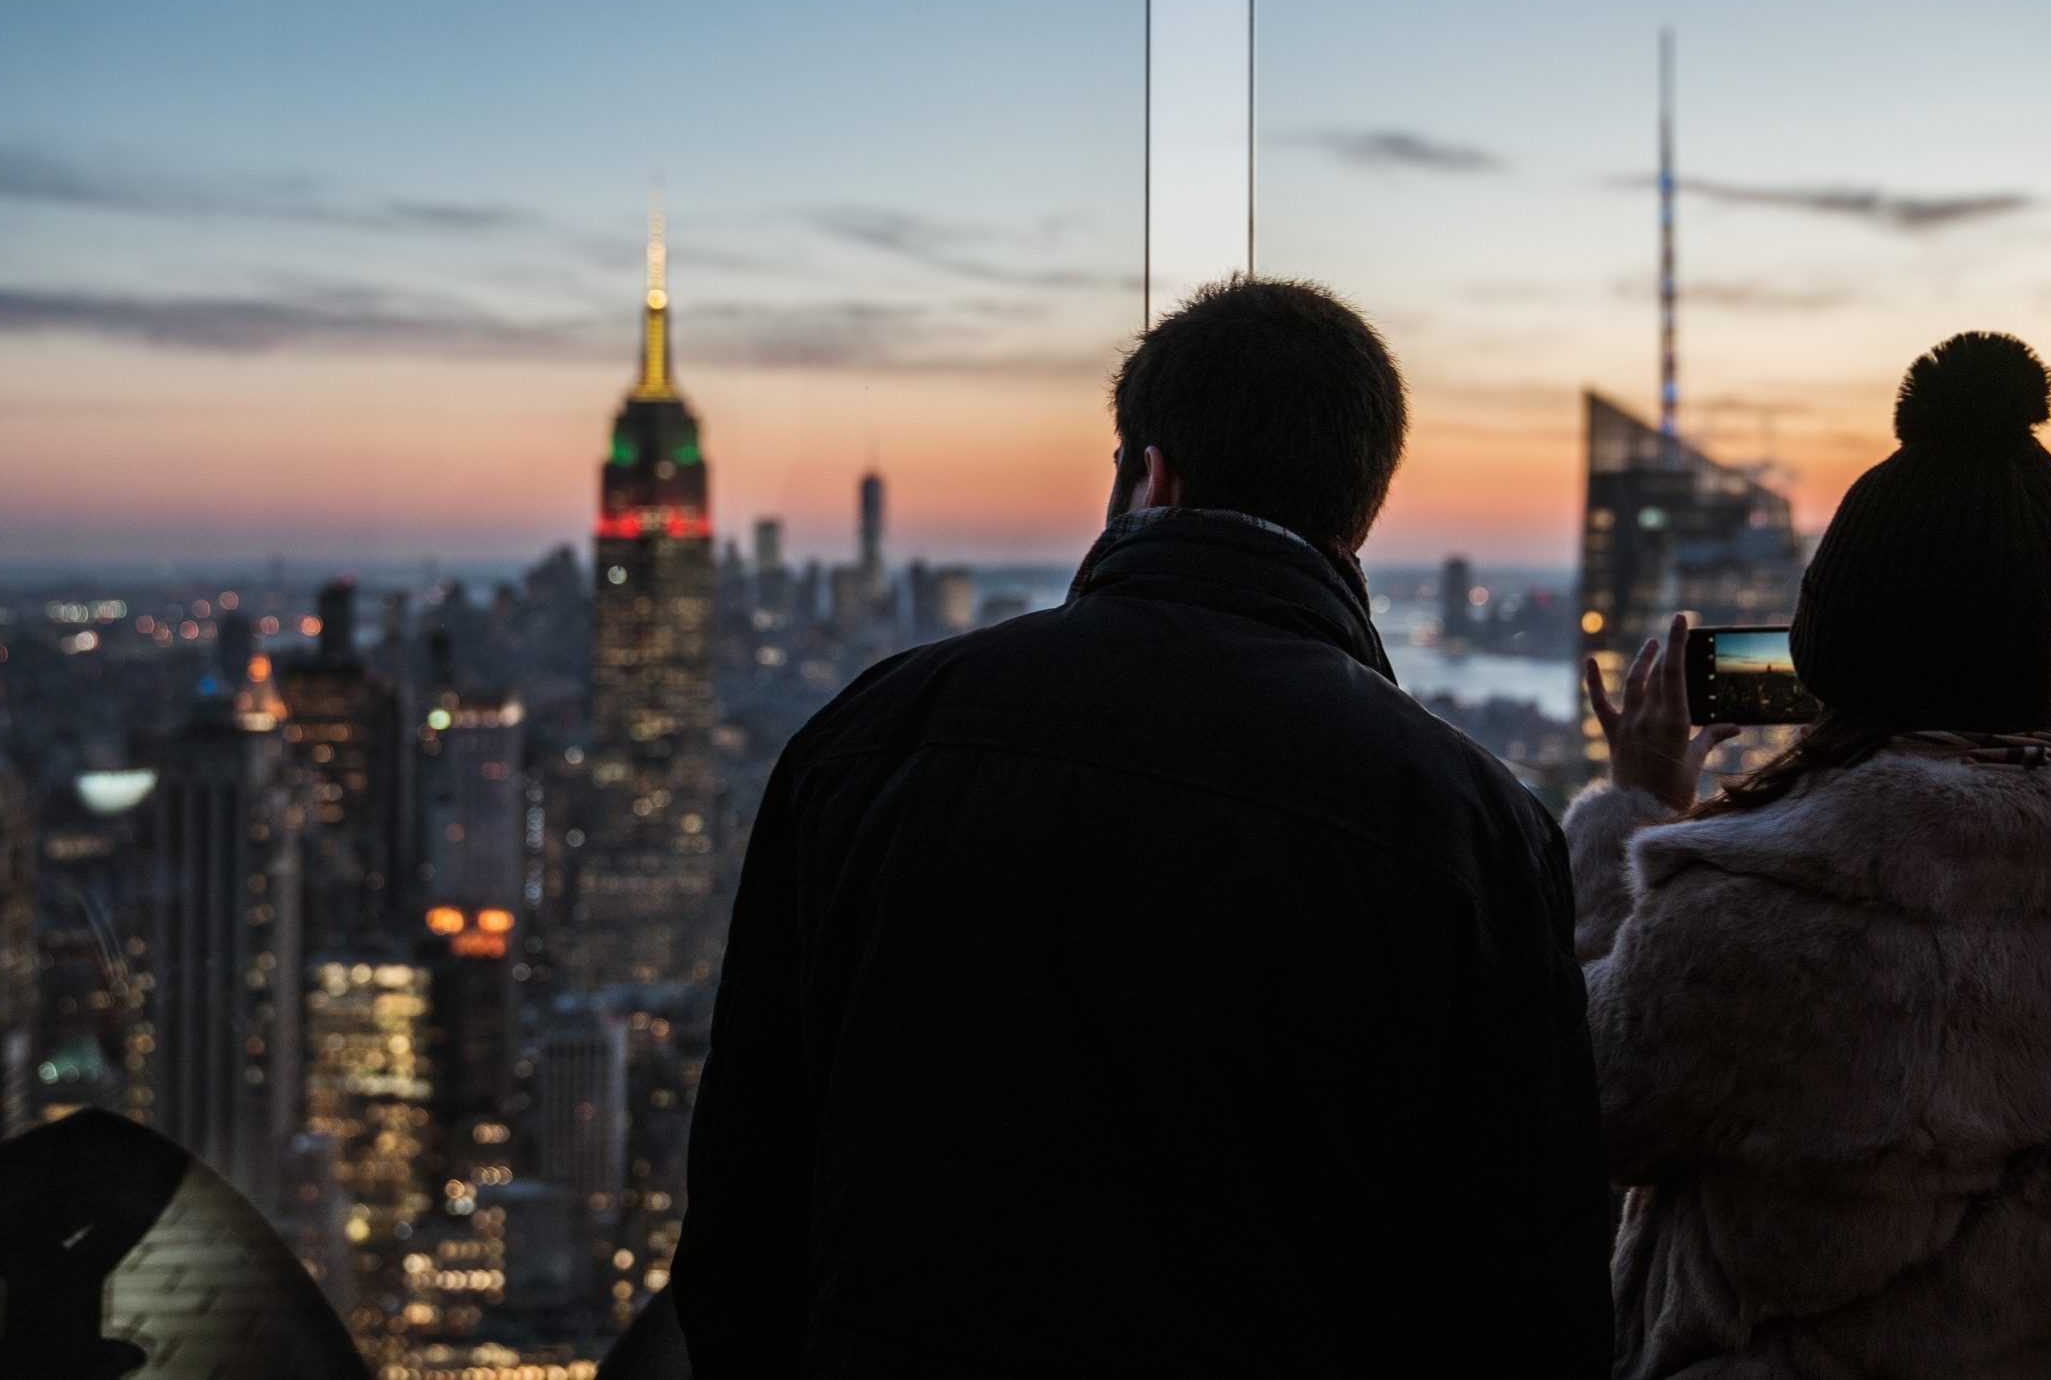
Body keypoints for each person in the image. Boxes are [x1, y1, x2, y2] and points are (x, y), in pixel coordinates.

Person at [676, 278, 1615, 1378]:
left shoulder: (869, 740)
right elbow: (1527, 1295)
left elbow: (743, 1208)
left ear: (1149, 474)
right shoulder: (1470, 825)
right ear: (1359, 511)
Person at [1569, 332, 2051, 1379]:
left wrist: (1631, 813)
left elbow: (1583, 1107)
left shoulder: (1754, 905)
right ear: (2050, 641)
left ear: (1831, 650)